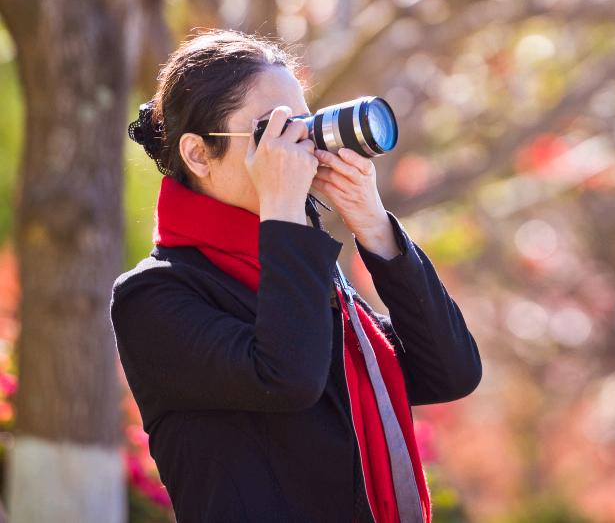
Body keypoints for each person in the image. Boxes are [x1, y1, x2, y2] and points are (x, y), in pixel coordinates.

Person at [109, 29, 482, 522]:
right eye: (273, 131)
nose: (297, 148)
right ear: (198, 154)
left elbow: (451, 372)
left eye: (302, 126)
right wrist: (283, 209)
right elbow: (285, 377)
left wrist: (374, 227)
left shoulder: (318, 286)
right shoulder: (153, 295)